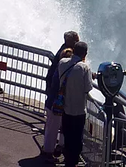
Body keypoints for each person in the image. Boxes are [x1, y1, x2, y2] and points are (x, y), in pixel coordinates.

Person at [42, 31, 80, 161]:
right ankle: (49, 152)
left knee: (56, 125)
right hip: (58, 97)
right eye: (76, 39)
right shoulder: (66, 55)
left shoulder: (62, 51)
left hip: (55, 95)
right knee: (54, 125)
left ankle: (57, 148)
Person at [56, 41, 94, 167]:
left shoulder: (62, 63)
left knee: (67, 136)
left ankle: (67, 161)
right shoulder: (84, 68)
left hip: (65, 108)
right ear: (85, 53)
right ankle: (73, 163)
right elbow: (87, 88)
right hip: (79, 110)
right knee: (76, 140)